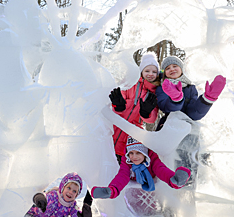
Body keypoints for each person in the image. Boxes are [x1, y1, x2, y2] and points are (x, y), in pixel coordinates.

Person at [156, 55, 226, 185]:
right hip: (170, 131)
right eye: (167, 68)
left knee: (190, 164)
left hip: (190, 133)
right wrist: (175, 99)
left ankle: (188, 194)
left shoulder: (190, 88)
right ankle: (168, 197)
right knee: (170, 164)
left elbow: (194, 113)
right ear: (164, 73)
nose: (172, 69)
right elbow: (164, 106)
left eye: (175, 66)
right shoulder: (162, 87)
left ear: (181, 69)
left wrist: (207, 99)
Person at [90, 137, 190, 199]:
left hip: (152, 191)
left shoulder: (152, 160)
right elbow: (122, 176)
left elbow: (161, 170)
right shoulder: (127, 162)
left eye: (138, 153)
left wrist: (173, 179)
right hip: (133, 193)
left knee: (150, 212)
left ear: (145, 153)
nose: (134, 157)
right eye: (131, 153)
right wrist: (112, 190)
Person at [109, 52, 160, 164]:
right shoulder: (131, 83)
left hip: (132, 135)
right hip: (115, 129)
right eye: (147, 71)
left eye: (154, 71)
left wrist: (146, 113)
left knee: (122, 166)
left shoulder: (155, 92)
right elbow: (116, 104)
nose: (150, 74)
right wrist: (119, 106)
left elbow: (152, 119)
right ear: (141, 71)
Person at [27, 172, 93, 217]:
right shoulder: (54, 196)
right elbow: (45, 196)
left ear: (76, 195)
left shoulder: (72, 206)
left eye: (74, 191)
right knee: (27, 203)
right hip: (32, 207)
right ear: (62, 188)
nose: (70, 192)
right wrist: (40, 198)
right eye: (69, 188)